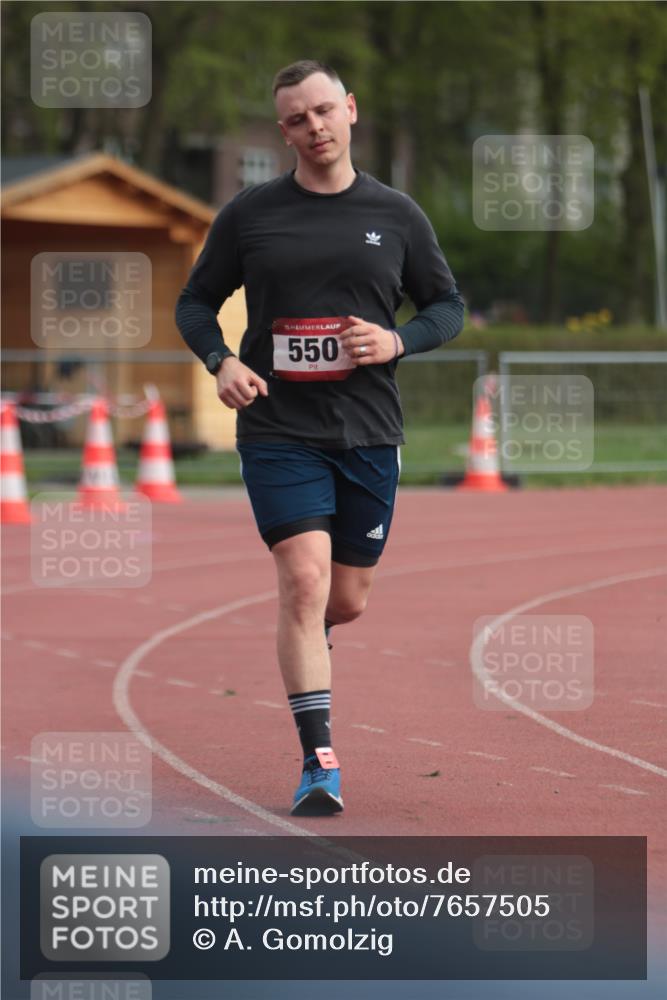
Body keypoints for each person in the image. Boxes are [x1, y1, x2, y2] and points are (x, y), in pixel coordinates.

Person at [175, 59, 465, 816]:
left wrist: (397, 342)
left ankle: (307, 639)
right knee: (301, 583)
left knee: (345, 599)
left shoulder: (397, 213)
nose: (314, 127)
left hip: (368, 431)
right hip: (276, 427)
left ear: (350, 111)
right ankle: (318, 763)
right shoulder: (250, 214)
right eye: (297, 119)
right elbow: (196, 302)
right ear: (283, 131)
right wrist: (222, 360)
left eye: (324, 111)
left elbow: (446, 306)